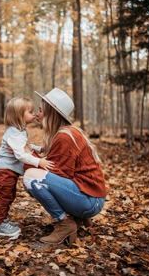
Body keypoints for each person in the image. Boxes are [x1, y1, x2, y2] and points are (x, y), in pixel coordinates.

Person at [23, 88, 107, 245]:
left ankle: (65, 224)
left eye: (40, 110)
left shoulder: (65, 137)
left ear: (51, 113)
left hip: (90, 201)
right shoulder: (66, 132)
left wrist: (26, 156)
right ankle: (78, 217)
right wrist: (32, 151)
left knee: (31, 178)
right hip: (91, 196)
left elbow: (57, 174)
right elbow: (58, 168)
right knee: (34, 176)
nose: (37, 115)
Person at [0, 97, 54, 239]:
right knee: (6, 196)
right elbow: (20, 155)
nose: (34, 114)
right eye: (30, 112)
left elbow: (24, 146)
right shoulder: (13, 133)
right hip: (4, 170)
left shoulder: (19, 131)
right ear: (19, 115)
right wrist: (39, 162)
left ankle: (3, 219)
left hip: (9, 170)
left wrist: (38, 148)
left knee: (10, 195)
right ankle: (1, 224)